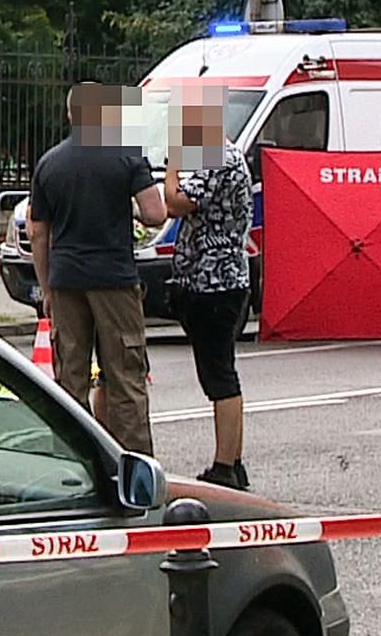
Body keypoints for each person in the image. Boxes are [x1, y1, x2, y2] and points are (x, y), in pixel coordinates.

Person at [28, 83, 166, 454]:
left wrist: (47, 290)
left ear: (71, 115)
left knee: (70, 378)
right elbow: (156, 213)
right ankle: (136, 464)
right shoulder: (125, 157)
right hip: (114, 280)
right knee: (125, 377)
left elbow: (37, 232)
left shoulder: (50, 162)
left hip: (66, 280)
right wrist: (129, 209)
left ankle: (76, 460)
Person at [163, 83, 253, 490]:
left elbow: (177, 203)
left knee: (219, 375)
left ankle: (226, 465)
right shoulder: (224, 152)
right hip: (222, 277)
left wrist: (172, 165)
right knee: (221, 372)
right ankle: (233, 458)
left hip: (213, 282)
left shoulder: (214, 155)